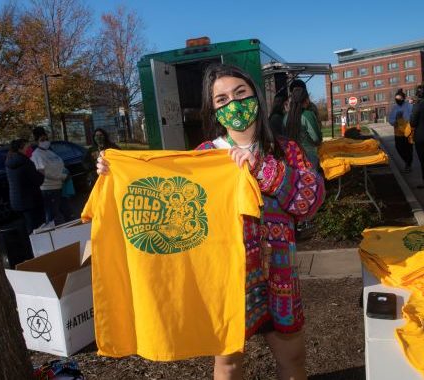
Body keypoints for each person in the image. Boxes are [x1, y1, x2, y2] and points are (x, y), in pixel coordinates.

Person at [97, 63, 325, 380]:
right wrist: (118, 175)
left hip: (279, 275)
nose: (233, 104)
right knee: (228, 364)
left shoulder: (286, 150)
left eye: (240, 93)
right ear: (214, 111)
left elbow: (310, 201)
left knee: (293, 359)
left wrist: (263, 169)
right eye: (222, 100)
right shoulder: (205, 157)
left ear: (256, 97)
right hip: (226, 281)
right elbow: (167, 199)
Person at [30, 127, 68, 225]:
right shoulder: (36, 155)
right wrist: (62, 176)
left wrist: (65, 172)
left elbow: (59, 164)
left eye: (46, 139)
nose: (45, 141)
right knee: (52, 216)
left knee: (64, 213)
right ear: (36, 141)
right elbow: (43, 172)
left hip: (59, 186)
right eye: (42, 140)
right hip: (48, 189)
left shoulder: (50, 152)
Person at [5, 139, 44, 234]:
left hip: (16, 202)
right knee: (35, 228)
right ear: (20, 149)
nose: (30, 149)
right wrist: (42, 173)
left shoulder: (9, 161)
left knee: (25, 226)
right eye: (28, 147)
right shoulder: (26, 162)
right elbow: (37, 180)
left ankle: (27, 246)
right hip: (30, 201)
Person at [284, 86, 322, 170]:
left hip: (291, 156)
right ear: (306, 100)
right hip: (308, 156)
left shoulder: (286, 117)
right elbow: (316, 138)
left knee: (296, 181)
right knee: (311, 181)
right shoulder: (307, 115)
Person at [388, 89, 414, 173]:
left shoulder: (409, 106)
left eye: (399, 98)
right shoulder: (394, 108)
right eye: (396, 99)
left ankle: (408, 164)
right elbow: (391, 119)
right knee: (399, 148)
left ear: (403, 98)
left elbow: (413, 117)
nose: (397, 100)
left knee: (409, 149)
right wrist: (394, 121)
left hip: (408, 132)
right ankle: (407, 161)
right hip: (398, 133)